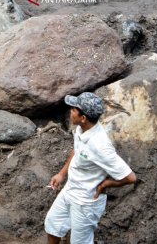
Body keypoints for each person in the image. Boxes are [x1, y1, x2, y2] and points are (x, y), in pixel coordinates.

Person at [44, 92, 136, 244]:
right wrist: (62, 174)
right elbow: (77, 150)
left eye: (73, 110)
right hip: (71, 190)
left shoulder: (100, 146)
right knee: (53, 224)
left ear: (83, 118)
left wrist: (105, 184)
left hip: (86, 202)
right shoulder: (81, 129)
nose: (70, 112)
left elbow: (130, 177)